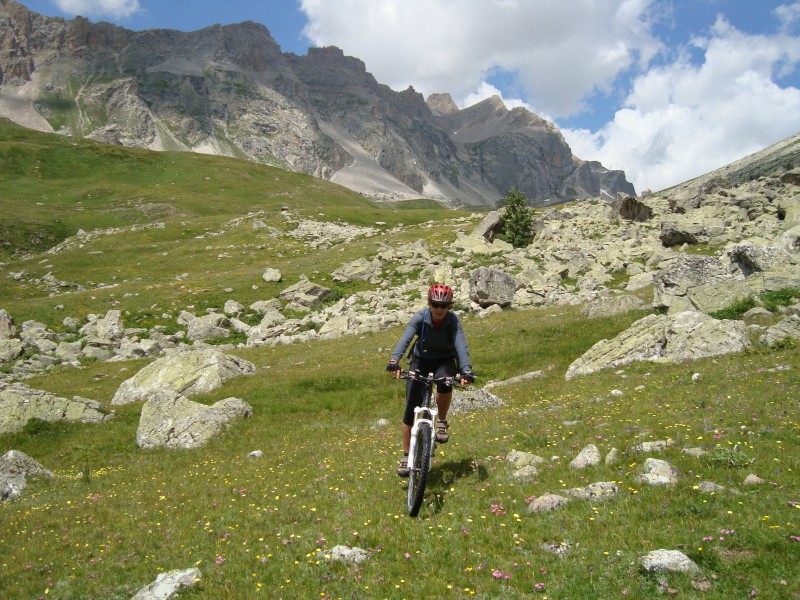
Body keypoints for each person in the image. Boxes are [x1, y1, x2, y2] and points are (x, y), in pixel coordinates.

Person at [386, 283, 474, 477]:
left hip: (444, 360)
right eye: (435, 305)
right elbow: (406, 338)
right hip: (420, 360)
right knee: (410, 410)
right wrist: (395, 360)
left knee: (445, 382)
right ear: (429, 304)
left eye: (444, 305)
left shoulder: (452, 321)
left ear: (449, 306)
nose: (439, 309)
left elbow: (461, 345)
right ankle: (406, 456)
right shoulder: (420, 317)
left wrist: (466, 370)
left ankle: (441, 421)